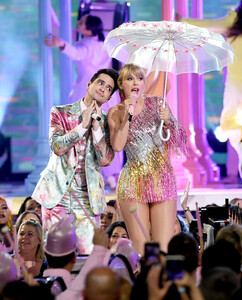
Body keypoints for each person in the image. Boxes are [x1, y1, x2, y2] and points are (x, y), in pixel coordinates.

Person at [32, 68, 118, 254]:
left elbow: (106, 159)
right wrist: (82, 126)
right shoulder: (60, 112)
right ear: (89, 84)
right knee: (56, 252)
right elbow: (57, 147)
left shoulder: (107, 123)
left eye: (109, 88)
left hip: (87, 197)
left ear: (109, 98)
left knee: (88, 254)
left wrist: (96, 130)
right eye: (100, 83)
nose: (103, 88)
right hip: (57, 194)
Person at [108, 64, 187, 254]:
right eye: (130, 79)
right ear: (121, 84)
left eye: (140, 78)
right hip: (133, 182)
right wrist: (129, 113)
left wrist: (168, 121)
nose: (136, 82)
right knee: (142, 251)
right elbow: (118, 146)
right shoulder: (115, 112)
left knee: (163, 249)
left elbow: (180, 140)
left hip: (162, 179)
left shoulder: (158, 104)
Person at [47, 12, 123, 190]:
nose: (78, 24)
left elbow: (77, 53)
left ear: (88, 29)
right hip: (107, 96)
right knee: (107, 134)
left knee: (86, 135)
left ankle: (94, 175)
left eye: (81, 23)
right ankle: (111, 174)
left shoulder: (87, 45)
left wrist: (62, 44)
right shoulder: (103, 44)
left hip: (88, 94)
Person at [176, 2, 242, 178]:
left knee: (232, 126)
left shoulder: (235, 21)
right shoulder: (235, 21)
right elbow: (208, 26)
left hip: (236, 87)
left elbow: (208, 26)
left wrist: (183, 22)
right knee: (232, 126)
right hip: (236, 86)